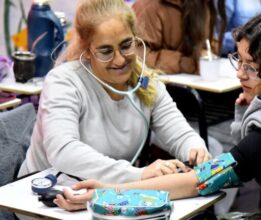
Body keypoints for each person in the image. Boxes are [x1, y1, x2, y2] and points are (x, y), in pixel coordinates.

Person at [54, 9, 261, 219]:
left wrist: (106, 193)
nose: (240, 74)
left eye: (251, 67)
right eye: (239, 60)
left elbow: (199, 181)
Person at [17, 0, 212, 184]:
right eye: (106, 51)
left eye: (126, 45)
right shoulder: (63, 82)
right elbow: (63, 151)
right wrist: (139, 174)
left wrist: (196, 150)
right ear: (87, 50)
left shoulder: (146, 83)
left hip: (100, 195)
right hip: (41, 200)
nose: (120, 60)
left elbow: (181, 135)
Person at [132, 0, 226, 74]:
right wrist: (185, 63)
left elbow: (208, 43)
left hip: (194, 82)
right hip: (156, 86)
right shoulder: (149, 6)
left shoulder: (202, 4)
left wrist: (206, 53)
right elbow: (139, 56)